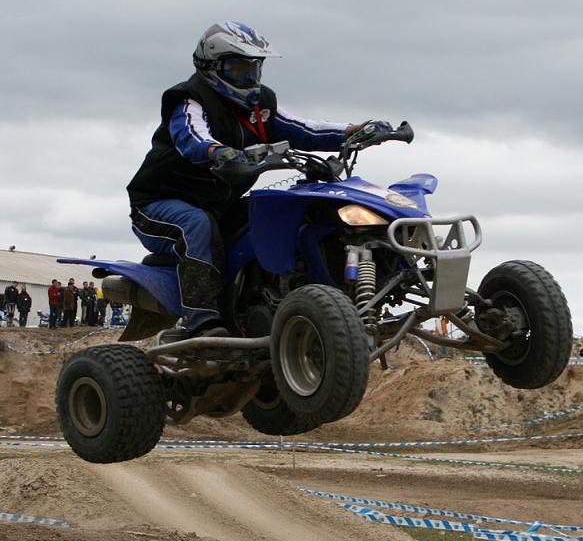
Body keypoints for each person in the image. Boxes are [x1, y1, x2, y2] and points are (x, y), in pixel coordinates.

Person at [126, 21, 392, 337]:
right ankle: (204, 323)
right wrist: (219, 153)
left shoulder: (260, 104)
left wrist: (356, 132)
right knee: (195, 225)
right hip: (159, 204)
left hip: (219, 206)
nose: (249, 78)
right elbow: (192, 136)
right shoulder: (190, 99)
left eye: (254, 68)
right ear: (212, 66)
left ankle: (273, 300)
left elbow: (304, 129)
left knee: (275, 213)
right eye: (238, 68)